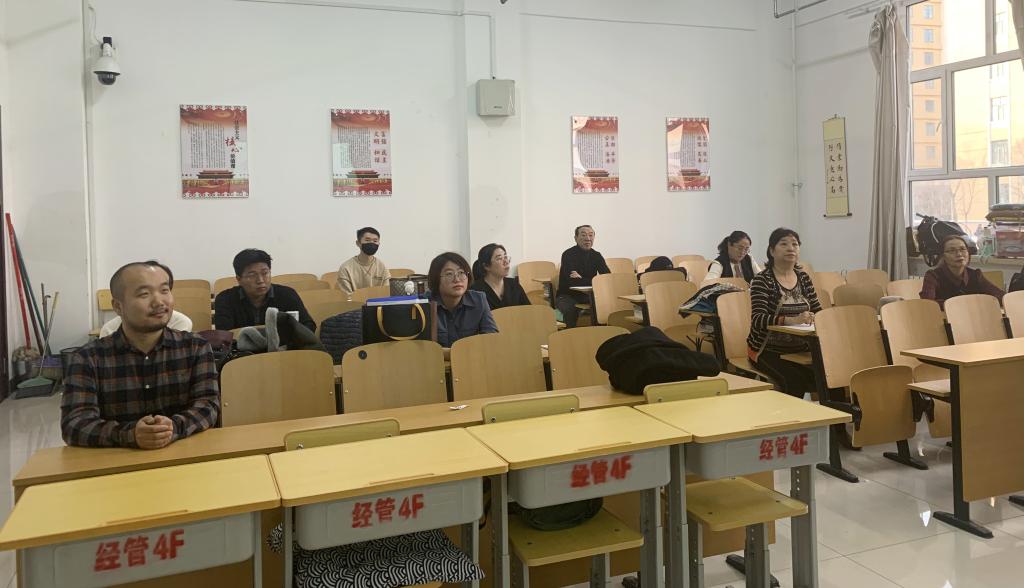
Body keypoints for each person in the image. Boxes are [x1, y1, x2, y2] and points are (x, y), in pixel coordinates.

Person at [61, 261, 220, 449]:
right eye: (144, 294)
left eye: (164, 290)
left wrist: (172, 428)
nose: (159, 302)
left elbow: (208, 406)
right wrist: (130, 434)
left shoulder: (196, 347)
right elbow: (75, 424)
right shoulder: (87, 358)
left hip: (183, 455)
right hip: (117, 461)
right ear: (118, 306)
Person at [746, 228, 822, 398]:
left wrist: (817, 318)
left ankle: (836, 416)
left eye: (795, 244)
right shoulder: (762, 280)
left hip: (801, 350)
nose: (791, 248)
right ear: (772, 251)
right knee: (794, 381)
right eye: (784, 244)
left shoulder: (804, 278)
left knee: (830, 376)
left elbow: (818, 310)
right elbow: (758, 319)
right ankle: (790, 416)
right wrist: (790, 320)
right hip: (767, 350)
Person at [214, 249, 316, 332]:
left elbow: (308, 325)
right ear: (239, 279)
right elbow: (224, 336)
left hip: (283, 349)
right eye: (252, 275)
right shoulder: (225, 299)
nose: (260, 280)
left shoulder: (287, 295)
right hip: (241, 350)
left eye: (265, 273)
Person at [428, 252, 497, 347]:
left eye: (461, 273)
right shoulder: (425, 304)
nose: (457, 279)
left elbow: (491, 338)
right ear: (436, 278)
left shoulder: (479, 300)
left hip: (471, 355)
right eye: (449, 274)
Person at [920, 234, 1005, 309]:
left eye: (962, 249)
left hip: (973, 319)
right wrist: (964, 303)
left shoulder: (975, 275)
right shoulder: (933, 276)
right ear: (943, 256)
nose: (959, 254)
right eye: (952, 251)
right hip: (944, 320)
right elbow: (928, 303)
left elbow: (1001, 296)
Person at [556, 225, 610, 327]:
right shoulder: (568, 254)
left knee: (605, 305)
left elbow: (606, 278)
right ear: (576, 238)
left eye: (591, 235)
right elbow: (573, 282)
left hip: (588, 295)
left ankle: (600, 333)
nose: (588, 238)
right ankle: (569, 335)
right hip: (567, 295)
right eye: (583, 235)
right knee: (570, 309)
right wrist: (595, 280)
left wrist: (582, 279)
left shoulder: (597, 255)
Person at [469, 243, 530, 309]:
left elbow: (528, 310)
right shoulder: (475, 291)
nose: (506, 262)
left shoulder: (514, 285)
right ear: (486, 266)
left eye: (505, 257)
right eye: (499, 258)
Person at [337, 226, 391, 295]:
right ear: (358, 243)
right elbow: (347, 297)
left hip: (378, 301)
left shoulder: (382, 266)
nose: (371, 243)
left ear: (379, 244)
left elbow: (386, 292)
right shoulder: (346, 268)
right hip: (355, 302)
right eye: (367, 240)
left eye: (375, 241)